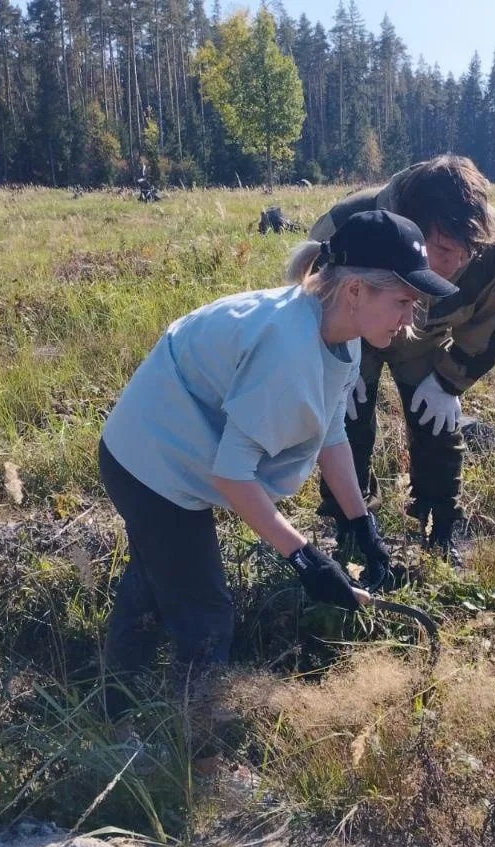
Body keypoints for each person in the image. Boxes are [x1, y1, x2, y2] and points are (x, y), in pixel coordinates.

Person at [97, 210, 457, 704]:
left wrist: (360, 524)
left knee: (159, 579)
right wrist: (305, 558)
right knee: (206, 616)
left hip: (167, 449)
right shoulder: (288, 350)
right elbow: (232, 475)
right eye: (402, 302)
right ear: (354, 291)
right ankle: (201, 765)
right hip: (149, 464)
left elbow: (331, 430)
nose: (408, 320)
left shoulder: (343, 339)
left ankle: (114, 706)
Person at [308, 155, 495, 561]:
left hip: (425, 338)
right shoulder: (350, 224)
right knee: (346, 421)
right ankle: (352, 529)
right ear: (411, 224)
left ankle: (440, 526)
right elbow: (313, 299)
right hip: (354, 333)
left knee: (439, 424)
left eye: (467, 252)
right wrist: (332, 359)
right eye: (442, 248)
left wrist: (449, 381)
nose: (455, 264)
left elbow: (491, 326)